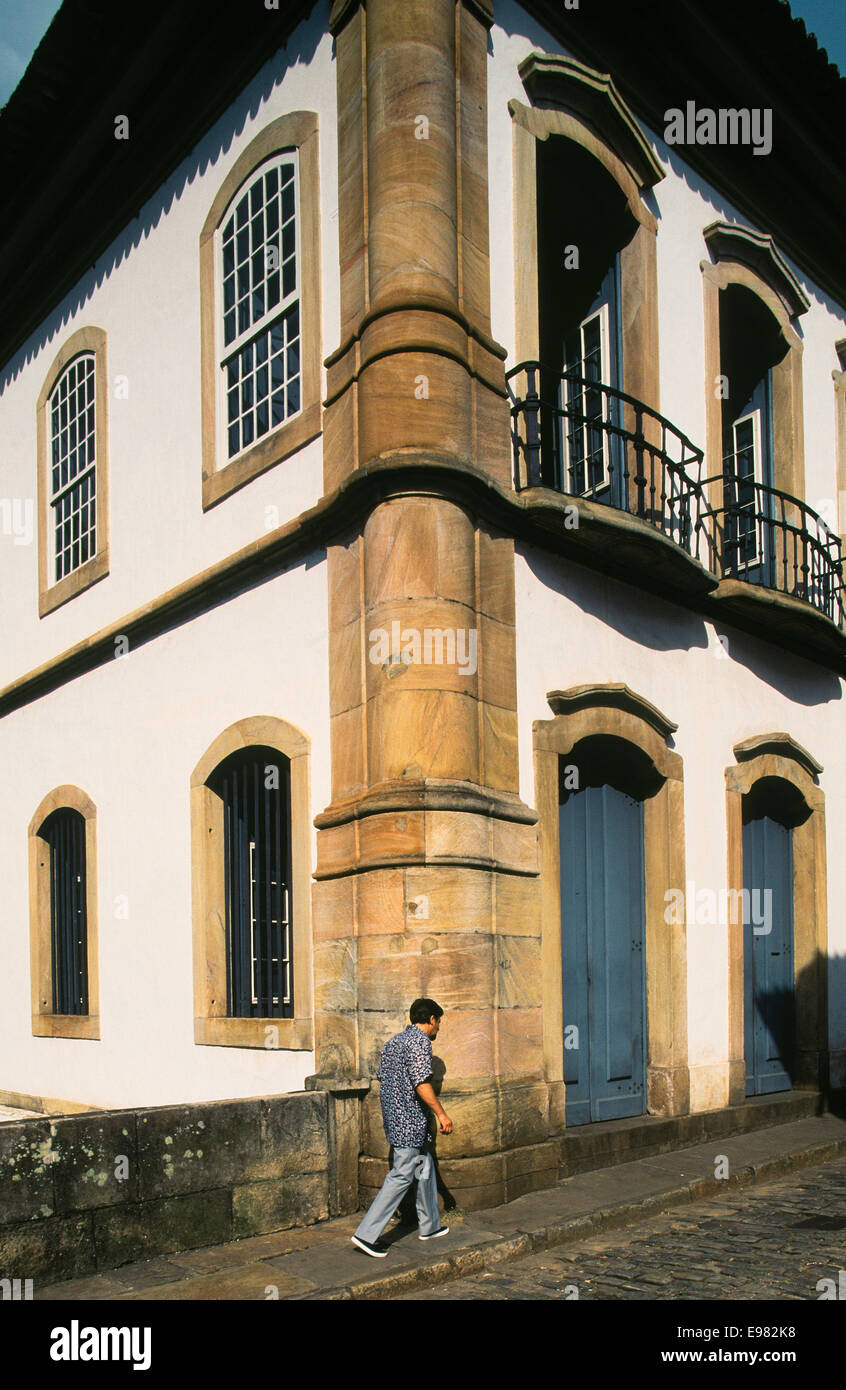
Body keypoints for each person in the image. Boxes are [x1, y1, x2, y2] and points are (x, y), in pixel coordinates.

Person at [351, 997, 453, 1257]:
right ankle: (366, 1234)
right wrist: (441, 1114)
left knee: (424, 1167)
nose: (438, 1028)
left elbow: (384, 1079)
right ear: (431, 1020)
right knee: (402, 1175)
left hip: (397, 1119)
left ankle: (429, 1225)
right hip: (409, 1122)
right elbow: (421, 1083)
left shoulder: (393, 1042)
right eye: (438, 1022)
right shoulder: (420, 1044)